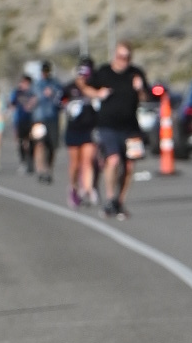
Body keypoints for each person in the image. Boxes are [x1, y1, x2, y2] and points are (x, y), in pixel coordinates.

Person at [91, 42, 149, 219]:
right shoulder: (104, 72)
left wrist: (140, 89)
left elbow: (146, 97)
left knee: (130, 165)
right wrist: (97, 94)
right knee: (114, 160)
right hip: (108, 125)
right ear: (114, 56)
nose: (124, 60)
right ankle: (110, 198)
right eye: (121, 56)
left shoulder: (136, 73)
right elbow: (85, 86)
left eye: (127, 57)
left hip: (131, 127)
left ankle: (119, 202)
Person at [64, 64, 99, 208]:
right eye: (80, 76)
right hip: (73, 129)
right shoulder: (69, 88)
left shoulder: (92, 89)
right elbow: (60, 102)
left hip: (88, 129)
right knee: (75, 164)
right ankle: (73, 187)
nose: (82, 79)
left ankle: (87, 189)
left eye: (85, 77)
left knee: (88, 160)